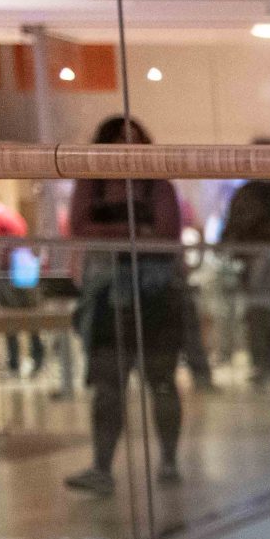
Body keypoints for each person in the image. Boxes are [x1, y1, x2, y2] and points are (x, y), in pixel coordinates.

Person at [62, 117, 188, 496]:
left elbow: (165, 233)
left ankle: (169, 460)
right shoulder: (93, 184)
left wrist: (114, 232)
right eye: (119, 140)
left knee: (161, 382)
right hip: (107, 299)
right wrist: (138, 232)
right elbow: (80, 228)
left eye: (135, 140)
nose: (128, 147)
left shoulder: (158, 185)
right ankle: (102, 467)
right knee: (107, 387)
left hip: (154, 298)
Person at [0, 188, 41, 378]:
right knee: (31, 313)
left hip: (7, 270)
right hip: (25, 265)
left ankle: (13, 362)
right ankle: (38, 357)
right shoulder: (10, 213)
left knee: (8, 317)